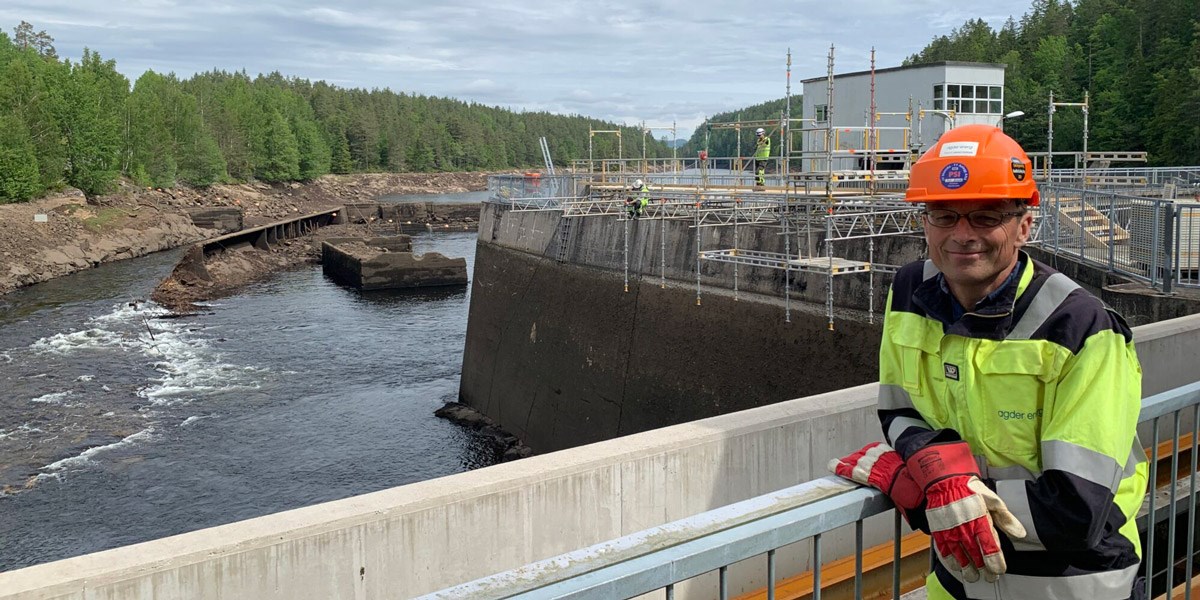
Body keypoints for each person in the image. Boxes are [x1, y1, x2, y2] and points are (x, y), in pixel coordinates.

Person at [829, 124, 1147, 600]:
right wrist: (935, 469)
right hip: (959, 580)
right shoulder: (909, 293)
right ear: (924, 221)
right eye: (944, 215)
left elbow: (1077, 511)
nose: (963, 234)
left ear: (1024, 225)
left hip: (1074, 585)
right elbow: (899, 408)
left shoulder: (1080, 327)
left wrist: (923, 495)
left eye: (986, 216)